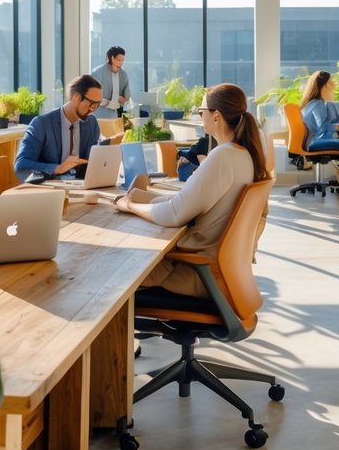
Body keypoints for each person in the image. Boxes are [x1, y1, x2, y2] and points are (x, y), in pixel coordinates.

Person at [113, 83, 269, 298]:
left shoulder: (223, 156)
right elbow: (188, 202)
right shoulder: (243, 155)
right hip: (219, 274)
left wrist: (130, 205)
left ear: (216, 116)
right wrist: (144, 198)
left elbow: (174, 214)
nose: (200, 115)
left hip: (192, 275)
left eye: (201, 111)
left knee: (113, 268)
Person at [13, 74, 103, 182]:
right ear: (76, 97)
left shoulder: (91, 123)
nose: (94, 109)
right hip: (49, 189)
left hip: (80, 186)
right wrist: (57, 168)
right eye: (91, 103)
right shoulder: (41, 124)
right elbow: (21, 165)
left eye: (98, 104)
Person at [90, 46, 131, 119]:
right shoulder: (97, 73)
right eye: (119, 60)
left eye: (123, 60)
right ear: (112, 58)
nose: (121, 63)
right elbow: (91, 95)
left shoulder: (123, 74)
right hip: (99, 113)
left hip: (116, 113)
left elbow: (127, 97)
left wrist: (124, 99)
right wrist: (107, 102)